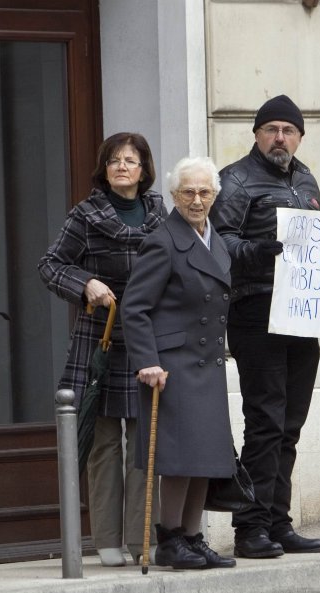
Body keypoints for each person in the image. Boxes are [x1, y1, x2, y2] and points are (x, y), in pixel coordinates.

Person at [209, 95, 320, 559]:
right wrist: (258, 250)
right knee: (264, 422)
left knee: (289, 424)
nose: (280, 138)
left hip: (304, 315)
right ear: (256, 135)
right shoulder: (235, 181)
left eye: (289, 130)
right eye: (271, 130)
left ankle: (277, 522)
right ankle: (249, 530)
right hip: (256, 314)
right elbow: (219, 242)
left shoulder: (305, 179)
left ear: (301, 136)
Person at [38, 132, 167, 566]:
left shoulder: (161, 214)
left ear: (144, 169)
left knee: (146, 441)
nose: (122, 166)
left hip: (148, 339)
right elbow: (51, 264)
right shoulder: (86, 215)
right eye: (114, 160)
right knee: (105, 443)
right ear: (104, 168)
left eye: (131, 160)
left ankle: (140, 538)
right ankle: (107, 541)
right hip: (102, 339)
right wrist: (84, 284)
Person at [121, 156, 237, 570]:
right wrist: (147, 362)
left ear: (214, 196)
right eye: (188, 191)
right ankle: (169, 540)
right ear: (173, 196)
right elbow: (134, 308)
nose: (197, 199)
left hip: (206, 363)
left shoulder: (216, 240)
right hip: (171, 367)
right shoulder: (163, 240)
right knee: (180, 458)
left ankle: (192, 538)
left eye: (205, 192)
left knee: (205, 456)